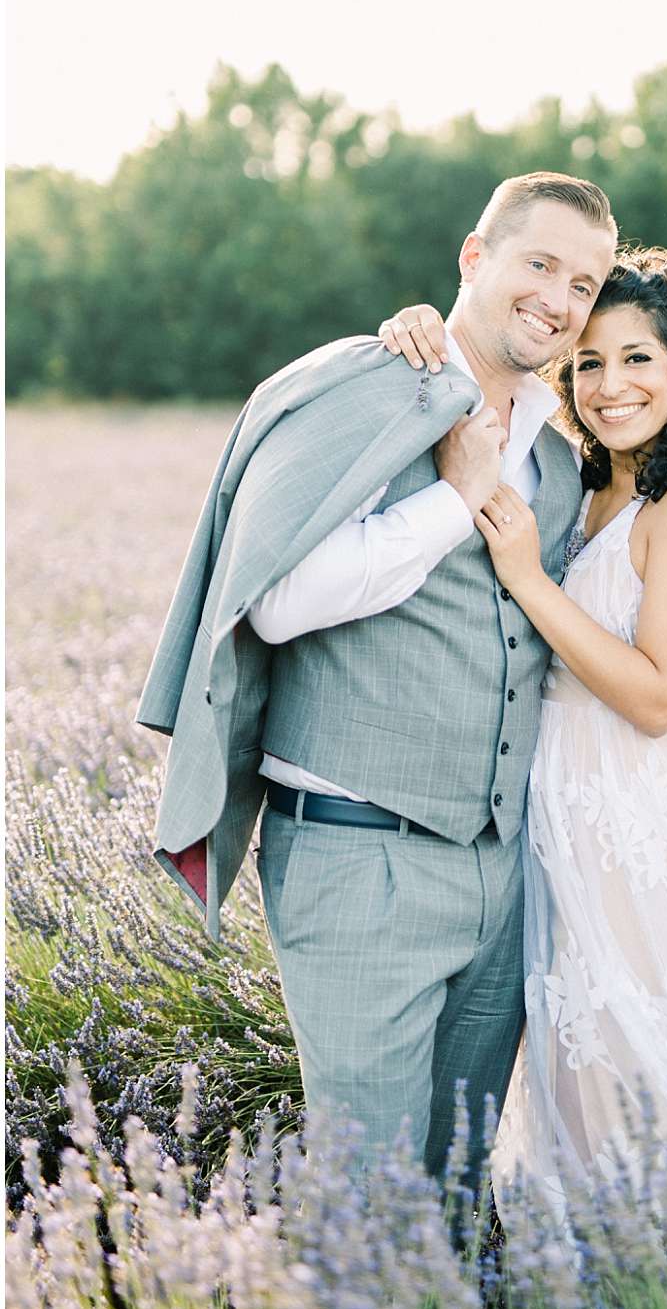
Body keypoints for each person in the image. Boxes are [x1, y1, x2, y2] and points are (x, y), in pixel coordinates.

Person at [136, 170, 618, 1188]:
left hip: (502, 872)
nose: (560, 299)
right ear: (473, 259)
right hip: (362, 862)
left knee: (454, 1184)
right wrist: (459, 498)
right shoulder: (363, 386)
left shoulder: (563, 457)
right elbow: (277, 601)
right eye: (539, 263)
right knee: (371, 1196)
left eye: (584, 282)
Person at [379, 248, 667, 1265]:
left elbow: (660, 695)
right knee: (572, 1064)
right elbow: (478, 376)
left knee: (652, 1048)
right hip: (557, 807)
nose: (610, 384)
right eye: (587, 363)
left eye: (638, 360)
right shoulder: (578, 482)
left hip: (638, 813)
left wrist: (524, 577)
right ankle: (603, 1287)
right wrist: (418, 328)